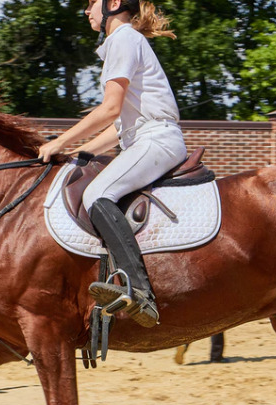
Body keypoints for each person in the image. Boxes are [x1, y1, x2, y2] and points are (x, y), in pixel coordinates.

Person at [39, 0, 186, 328]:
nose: (86, 10)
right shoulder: (124, 41)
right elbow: (118, 130)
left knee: (95, 195)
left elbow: (109, 109)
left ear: (113, 3)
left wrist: (58, 142)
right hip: (143, 139)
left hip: (156, 139)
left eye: (91, 3)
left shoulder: (123, 38)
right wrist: (80, 152)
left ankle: (141, 293)